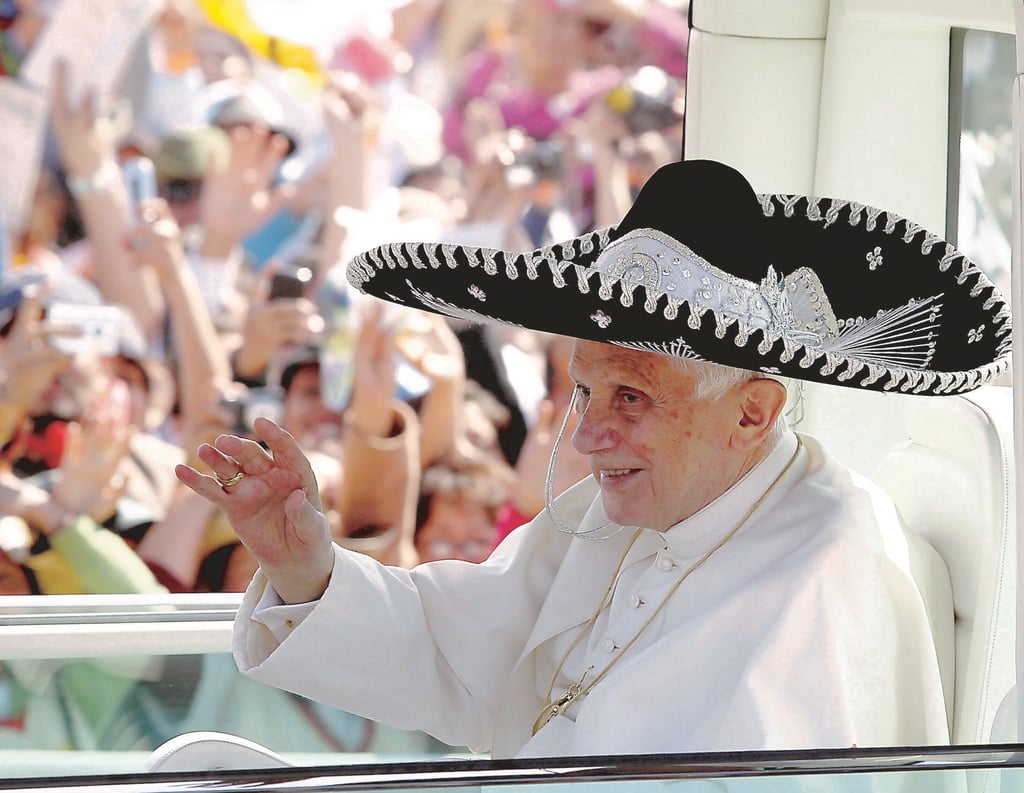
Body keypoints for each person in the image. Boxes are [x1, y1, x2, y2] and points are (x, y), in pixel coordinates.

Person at [174, 159, 1011, 758]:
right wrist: (305, 564)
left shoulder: (836, 575)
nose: (586, 435)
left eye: (632, 398)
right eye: (585, 391)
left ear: (752, 412)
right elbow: (463, 655)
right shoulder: (639, 507)